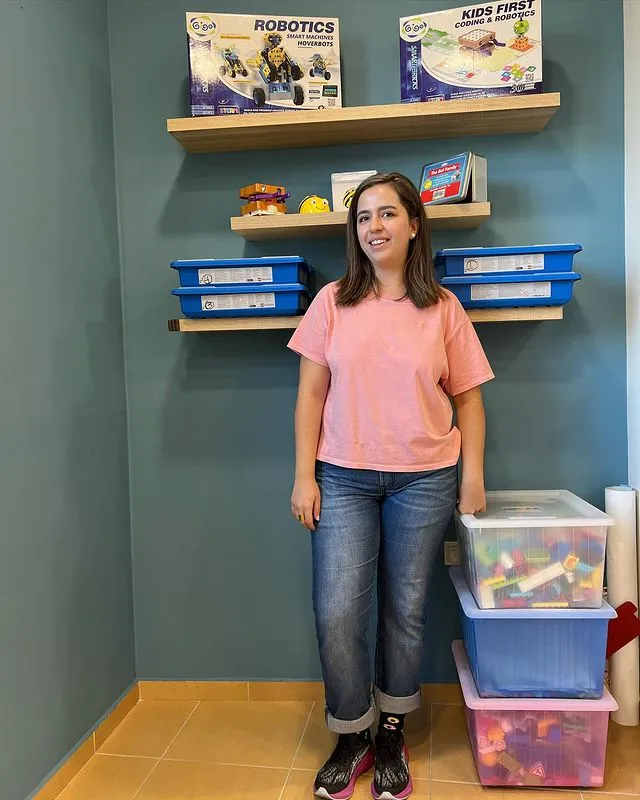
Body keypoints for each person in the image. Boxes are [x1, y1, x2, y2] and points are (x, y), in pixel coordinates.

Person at [287, 172, 494, 800]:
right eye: (362, 217)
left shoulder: (443, 308)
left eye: (386, 214)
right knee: (338, 611)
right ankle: (352, 734)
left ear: (413, 225)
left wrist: (472, 477)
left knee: (404, 611)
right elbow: (310, 396)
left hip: (425, 480)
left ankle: (392, 734)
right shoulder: (331, 302)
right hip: (342, 477)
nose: (373, 227)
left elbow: (470, 400)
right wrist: (303, 475)